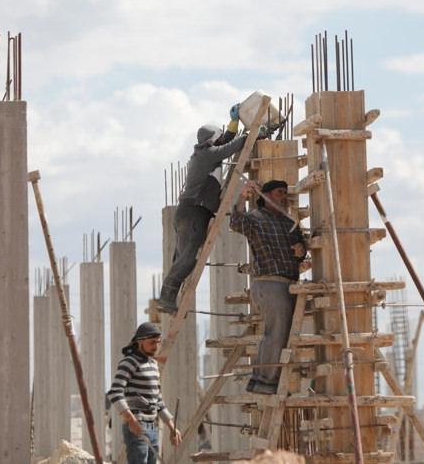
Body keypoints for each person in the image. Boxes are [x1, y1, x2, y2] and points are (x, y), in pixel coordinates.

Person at [158, 103, 256, 314]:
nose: (220, 140)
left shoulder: (205, 152)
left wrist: (234, 122)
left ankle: (167, 297)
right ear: (212, 139)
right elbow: (232, 146)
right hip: (195, 212)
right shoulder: (207, 154)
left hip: (188, 210)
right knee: (187, 259)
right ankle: (166, 297)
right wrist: (255, 133)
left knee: (182, 257)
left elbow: (226, 141)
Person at [230, 179, 307, 394]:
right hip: (269, 282)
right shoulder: (256, 218)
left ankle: (268, 379)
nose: (283, 196)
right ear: (266, 196)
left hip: (289, 283)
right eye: (278, 192)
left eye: (285, 192)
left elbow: (303, 248)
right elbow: (236, 223)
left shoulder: (288, 222)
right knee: (277, 331)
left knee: (285, 333)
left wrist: (302, 250)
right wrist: (242, 196)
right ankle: (264, 379)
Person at [107, 322, 182, 464]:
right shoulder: (129, 362)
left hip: (153, 426)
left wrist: (172, 427)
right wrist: (131, 419)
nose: (156, 346)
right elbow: (115, 392)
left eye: (158, 343)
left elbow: (157, 400)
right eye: (152, 342)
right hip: (138, 425)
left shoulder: (153, 365)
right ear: (140, 341)